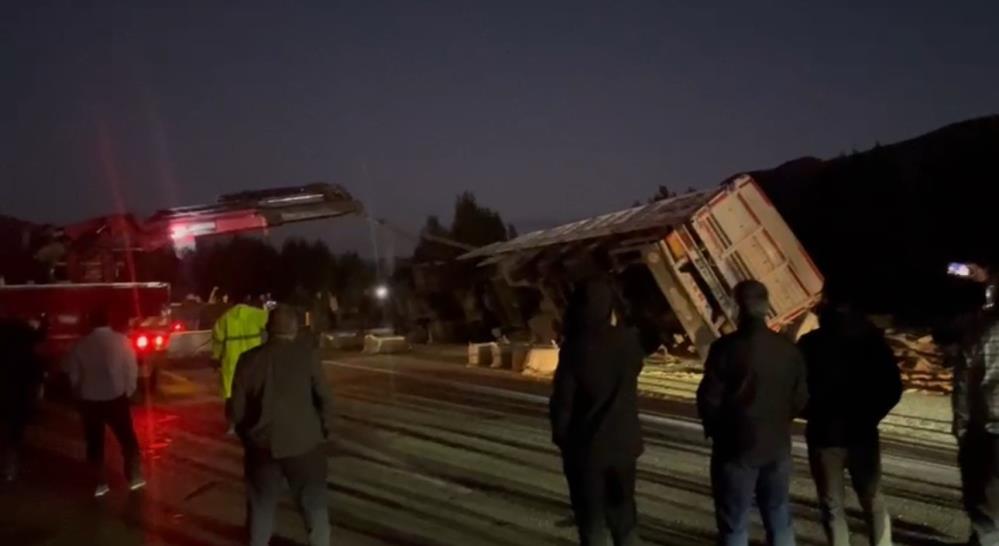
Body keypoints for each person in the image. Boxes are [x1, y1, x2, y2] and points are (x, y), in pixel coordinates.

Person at [697, 280, 808, 546]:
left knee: (734, 522)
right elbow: (801, 397)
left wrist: (717, 431)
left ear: (737, 309)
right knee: (779, 514)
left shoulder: (724, 348)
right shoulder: (788, 350)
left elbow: (709, 400)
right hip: (777, 445)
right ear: (766, 308)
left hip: (735, 448)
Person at [798, 286, 901, 546]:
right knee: (872, 498)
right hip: (861, 433)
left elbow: (794, 388)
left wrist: (809, 412)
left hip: (825, 434)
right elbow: (892, 388)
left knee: (832, 505)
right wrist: (872, 415)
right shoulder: (871, 343)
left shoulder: (811, 344)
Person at [549, 279, 647, 546]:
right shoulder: (628, 342)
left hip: (586, 450)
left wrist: (563, 440)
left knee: (592, 523)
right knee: (624, 517)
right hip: (624, 446)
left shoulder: (574, 348)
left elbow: (563, 403)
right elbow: (635, 367)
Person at [230, 305, 334, 546]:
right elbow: (325, 398)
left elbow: (236, 409)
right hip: (305, 444)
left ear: (268, 330)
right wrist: (325, 430)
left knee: (260, 508)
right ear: (295, 329)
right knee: (314, 506)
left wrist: (247, 436)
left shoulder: (248, 360)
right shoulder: (307, 355)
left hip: (262, 446)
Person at [63, 310, 144, 497]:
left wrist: (79, 394)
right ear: (108, 321)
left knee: (94, 443)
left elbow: (73, 376)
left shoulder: (80, 345)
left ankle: (100, 482)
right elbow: (131, 369)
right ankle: (134, 476)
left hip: (90, 401)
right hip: (116, 398)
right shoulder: (122, 341)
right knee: (128, 439)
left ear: (89, 323)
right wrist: (128, 391)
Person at [953, 274, 999, 546]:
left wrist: (960, 428)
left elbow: (963, 385)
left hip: (988, 436)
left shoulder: (981, 330)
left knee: (987, 521)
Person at [212, 294, 269, 431]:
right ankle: (254, 423)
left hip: (231, 363)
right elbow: (273, 323)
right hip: (253, 360)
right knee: (254, 392)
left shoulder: (223, 319)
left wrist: (216, 358)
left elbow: (218, 343)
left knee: (232, 395)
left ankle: (232, 425)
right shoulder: (257, 315)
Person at [0, 314, 45, 481]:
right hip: (19, 398)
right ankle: (10, 468)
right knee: (14, 433)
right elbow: (37, 376)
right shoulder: (29, 356)